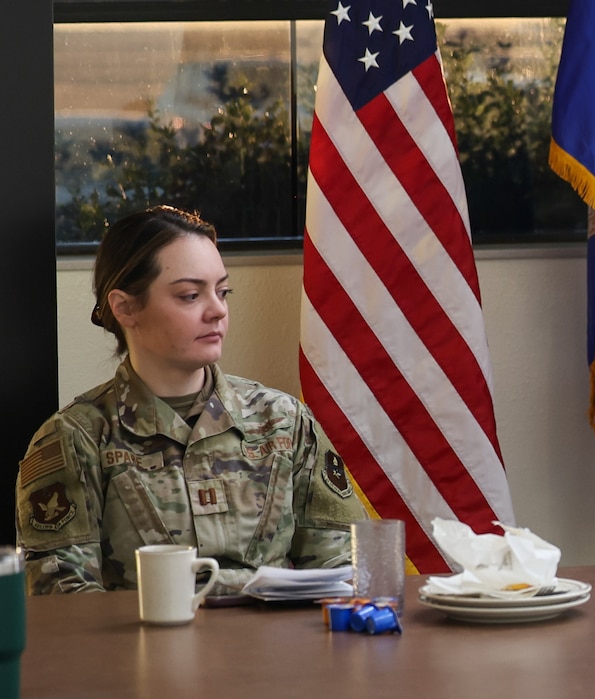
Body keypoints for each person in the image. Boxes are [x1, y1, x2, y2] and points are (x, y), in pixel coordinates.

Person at [14, 206, 364, 596]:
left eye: (223, 291)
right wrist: (239, 589)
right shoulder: (77, 439)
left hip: (276, 654)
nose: (217, 310)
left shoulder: (282, 421)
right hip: (142, 655)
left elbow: (347, 568)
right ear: (125, 307)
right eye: (190, 295)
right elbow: (62, 600)